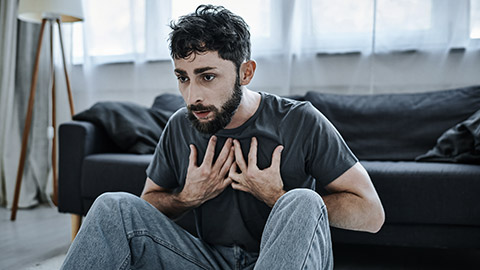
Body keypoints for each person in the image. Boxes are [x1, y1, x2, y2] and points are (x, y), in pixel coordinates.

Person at [61, 5, 384, 270]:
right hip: (206, 260)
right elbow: (148, 204)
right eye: (183, 78)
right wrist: (186, 198)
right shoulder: (181, 124)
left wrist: (279, 196)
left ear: (246, 73)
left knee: (302, 200)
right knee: (111, 207)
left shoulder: (299, 120)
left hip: (282, 260)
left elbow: (371, 214)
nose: (192, 96)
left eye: (207, 76)